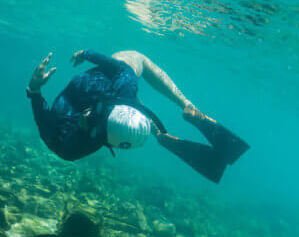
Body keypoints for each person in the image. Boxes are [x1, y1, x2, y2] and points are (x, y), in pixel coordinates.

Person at [27, 50, 248, 183]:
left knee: (133, 74)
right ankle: (183, 108)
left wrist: (34, 87)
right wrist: (88, 54)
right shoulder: (124, 93)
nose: (88, 114)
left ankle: (160, 133)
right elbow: (119, 67)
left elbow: (39, 110)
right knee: (136, 62)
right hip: (118, 98)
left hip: (111, 98)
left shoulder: (63, 142)